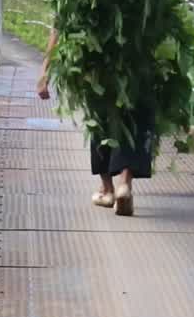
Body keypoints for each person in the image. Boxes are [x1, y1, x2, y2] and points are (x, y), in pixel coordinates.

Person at [37, 27, 154, 216]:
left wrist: (44, 71)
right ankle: (124, 182)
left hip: (96, 52)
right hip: (136, 50)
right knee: (135, 112)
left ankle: (107, 189)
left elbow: (60, 23)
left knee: (100, 113)